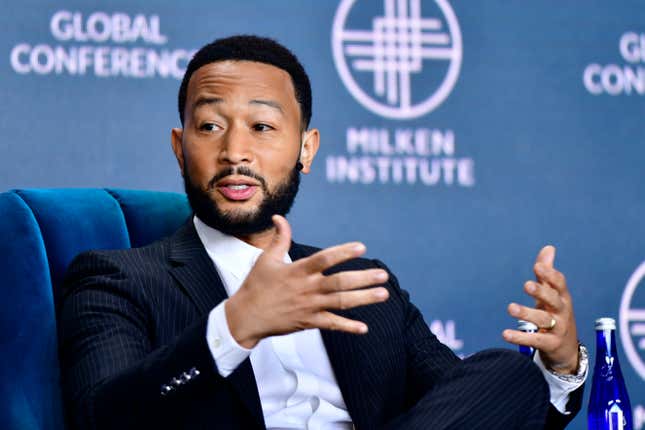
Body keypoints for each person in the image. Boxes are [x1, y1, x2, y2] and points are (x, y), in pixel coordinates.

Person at [58, 35, 587, 430]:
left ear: (306, 149)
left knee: (507, 374)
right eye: (211, 126)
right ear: (180, 147)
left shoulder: (363, 285)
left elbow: (467, 407)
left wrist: (561, 367)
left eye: (262, 128)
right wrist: (233, 327)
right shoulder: (116, 279)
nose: (235, 152)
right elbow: (100, 417)